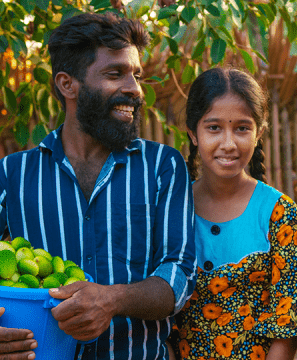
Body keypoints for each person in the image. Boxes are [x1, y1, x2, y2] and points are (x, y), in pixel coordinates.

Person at [0, 12, 195, 360]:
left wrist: (111, 299)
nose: (134, 89)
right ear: (67, 84)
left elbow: (178, 274)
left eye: (136, 75)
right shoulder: (12, 174)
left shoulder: (162, 166)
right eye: (114, 73)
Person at [169, 68, 297, 359]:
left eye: (242, 128)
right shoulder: (172, 208)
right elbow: (159, 321)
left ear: (259, 133)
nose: (228, 143)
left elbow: (287, 327)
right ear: (193, 133)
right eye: (214, 128)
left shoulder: (278, 213)